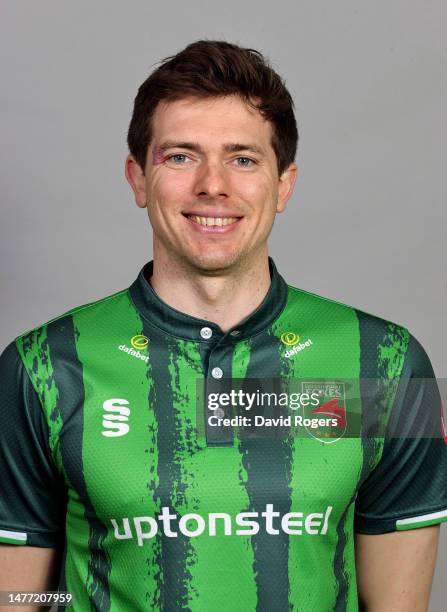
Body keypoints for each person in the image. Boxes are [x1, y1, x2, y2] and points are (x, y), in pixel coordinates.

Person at [0, 39, 446, 612]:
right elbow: (21, 595)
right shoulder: (43, 367)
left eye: (243, 158)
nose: (213, 185)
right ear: (138, 179)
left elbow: (395, 606)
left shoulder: (385, 362)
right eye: (180, 156)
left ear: (283, 184)